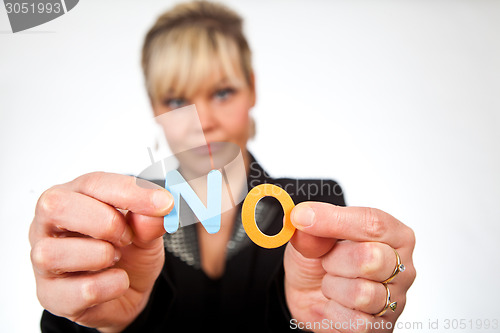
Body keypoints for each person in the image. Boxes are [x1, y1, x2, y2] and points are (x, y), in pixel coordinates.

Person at [30, 1, 416, 332]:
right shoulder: (117, 220)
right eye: (177, 99)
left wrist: (341, 316)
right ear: (154, 108)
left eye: (222, 92)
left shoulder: (314, 205)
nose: (202, 121)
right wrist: (96, 322)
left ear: (252, 88)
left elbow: (342, 318)